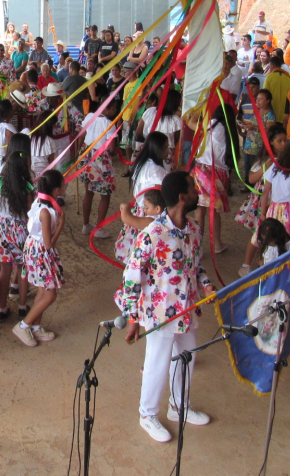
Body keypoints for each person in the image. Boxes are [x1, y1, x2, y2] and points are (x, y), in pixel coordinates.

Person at [118, 171, 213, 443]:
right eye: (194, 189)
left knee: (188, 357)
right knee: (157, 362)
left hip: (187, 309)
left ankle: (178, 406)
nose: (198, 193)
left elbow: (197, 266)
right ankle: (147, 414)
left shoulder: (193, 230)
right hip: (160, 313)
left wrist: (206, 285)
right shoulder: (152, 233)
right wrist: (133, 317)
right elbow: (132, 275)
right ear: (183, 198)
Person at [13, 169, 65, 347]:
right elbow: (49, 243)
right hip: (40, 253)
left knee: (43, 291)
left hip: (36, 251)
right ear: (57, 190)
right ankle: (23, 325)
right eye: (63, 185)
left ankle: (35, 327)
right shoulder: (45, 212)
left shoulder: (39, 203)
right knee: (50, 294)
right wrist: (60, 225)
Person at [236, 124, 288, 276]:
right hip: (264, 200)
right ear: (271, 142)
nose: (283, 144)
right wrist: (266, 167)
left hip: (279, 201)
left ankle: (271, 262)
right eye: (280, 141)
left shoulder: (287, 159)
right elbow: (251, 178)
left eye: (285, 140)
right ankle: (246, 265)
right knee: (259, 233)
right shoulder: (265, 159)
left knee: (276, 233)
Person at [0, 148, 33, 323]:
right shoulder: (26, 187)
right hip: (20, 231)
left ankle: (2, 309)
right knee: (22, 269)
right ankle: (22, 307)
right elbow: (29, 212)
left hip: (0, 231)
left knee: (4, 271)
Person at [189, 104, 233, 254]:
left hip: (203, 170)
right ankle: (217, 244)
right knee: (214, 211)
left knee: (199, 210)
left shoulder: (213, 125)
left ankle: (198, 247)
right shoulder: (231, 131)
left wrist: (198, 108)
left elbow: (190, 123)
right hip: (221, 174)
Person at [79, 98, 121, 237]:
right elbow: (111, 148)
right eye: (114, 109)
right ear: (106, 109)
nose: (115, 111)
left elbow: (82, 134)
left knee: (88, 192)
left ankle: (85, 225)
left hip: (87, 155)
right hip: (100, 159)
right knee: (105, 194)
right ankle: (99, 229)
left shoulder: (90, 116)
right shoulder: (110, 124)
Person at [263, 56, 290, 120]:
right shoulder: (288, 78)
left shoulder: (269, 77)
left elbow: (264, 95)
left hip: (272, 115)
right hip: (285, 115)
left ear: (272, 66)